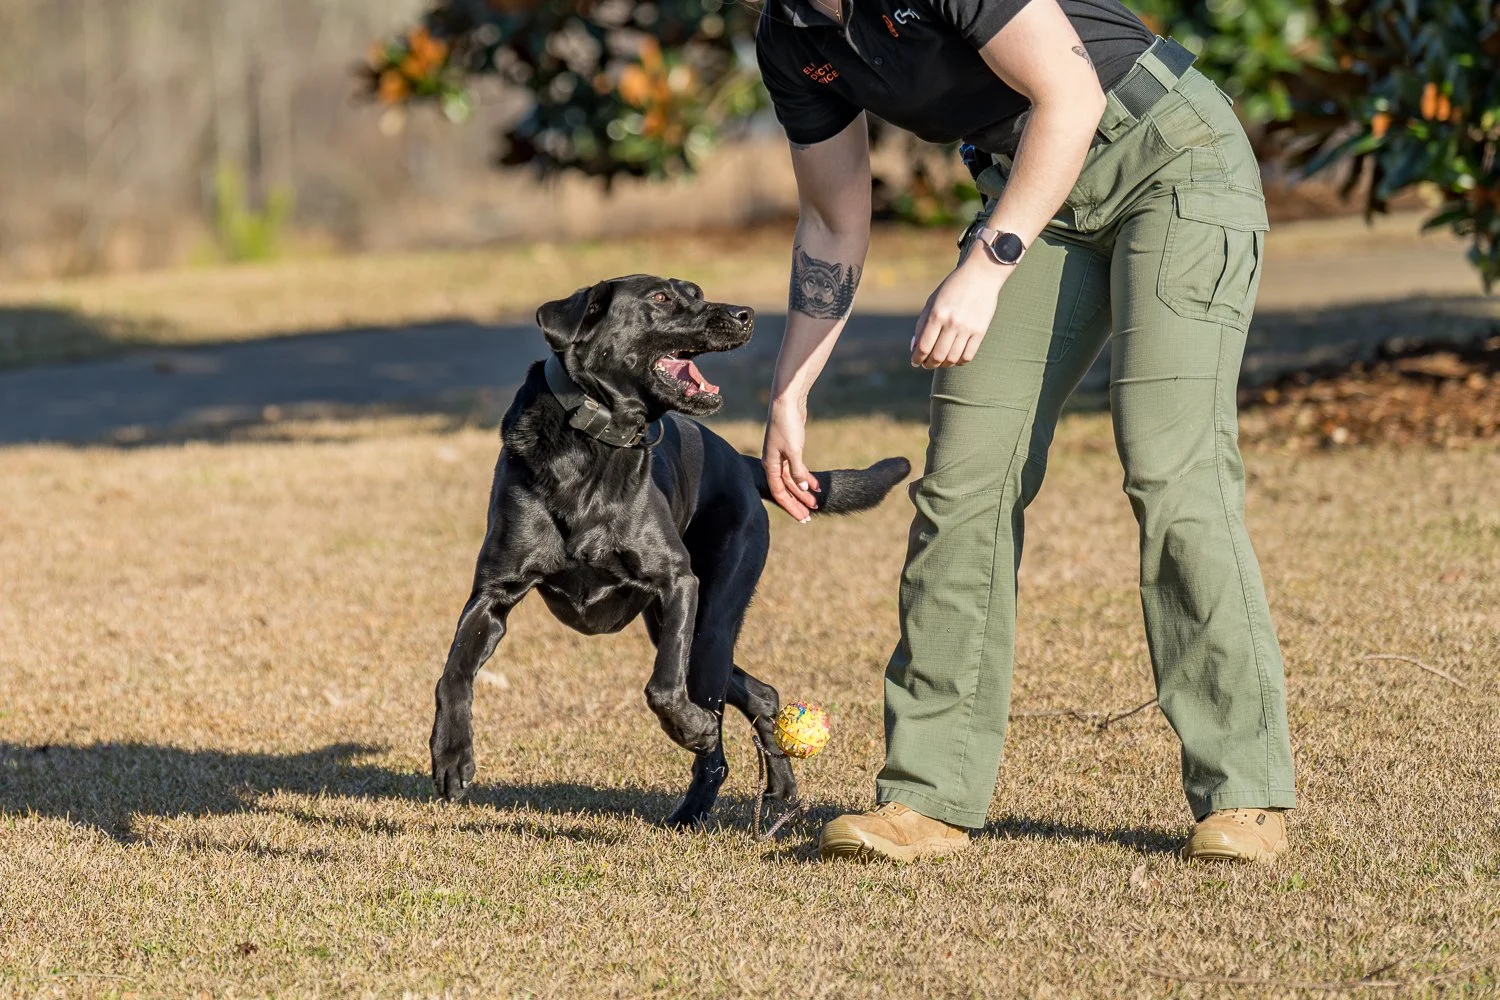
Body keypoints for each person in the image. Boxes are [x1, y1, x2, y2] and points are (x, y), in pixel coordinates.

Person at [755, 0, 1296, 862]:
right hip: (1038, 192)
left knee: (1169, 463)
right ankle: (928, 799)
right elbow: (833, 219)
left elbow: (1071, 96)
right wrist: (791, 390)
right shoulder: (791, 40)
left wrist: (986, 264)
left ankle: (1245, 793)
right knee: (964, 481)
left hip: (1169, 153)